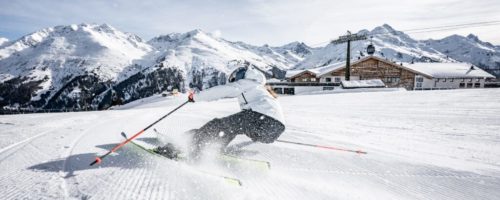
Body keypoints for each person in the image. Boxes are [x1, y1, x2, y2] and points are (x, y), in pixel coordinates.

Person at [155, 65, 285, 159]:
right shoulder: (261, 89)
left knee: (216, 125)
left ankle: (179, 149)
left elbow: (222, 90)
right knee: (229, 128)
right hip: (274, 130)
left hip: (261, 119)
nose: (234, 80)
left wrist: (195, 97)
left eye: (236, 76)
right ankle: (215, 148)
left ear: (244, 75)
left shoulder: (247, 83)